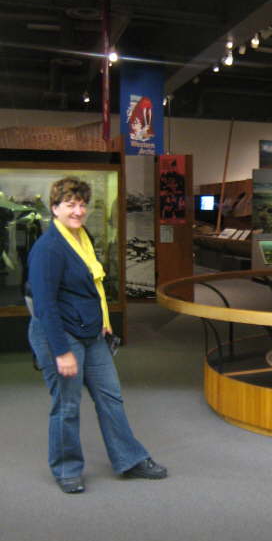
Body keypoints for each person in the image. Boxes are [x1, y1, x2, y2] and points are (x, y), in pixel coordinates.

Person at [27, 177, 167, 494]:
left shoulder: (81, 237)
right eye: (70, 205)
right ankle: (67, 469)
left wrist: (103, 321)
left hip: (90, 332)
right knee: (67, 405)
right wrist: (61, 351)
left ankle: (130, 459)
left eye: (82, 205)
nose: (78, 211)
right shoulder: (49, 249)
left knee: (110, 397)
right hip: (59, 335)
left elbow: (92, 285)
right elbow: (45, 306)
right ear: (54, 208)